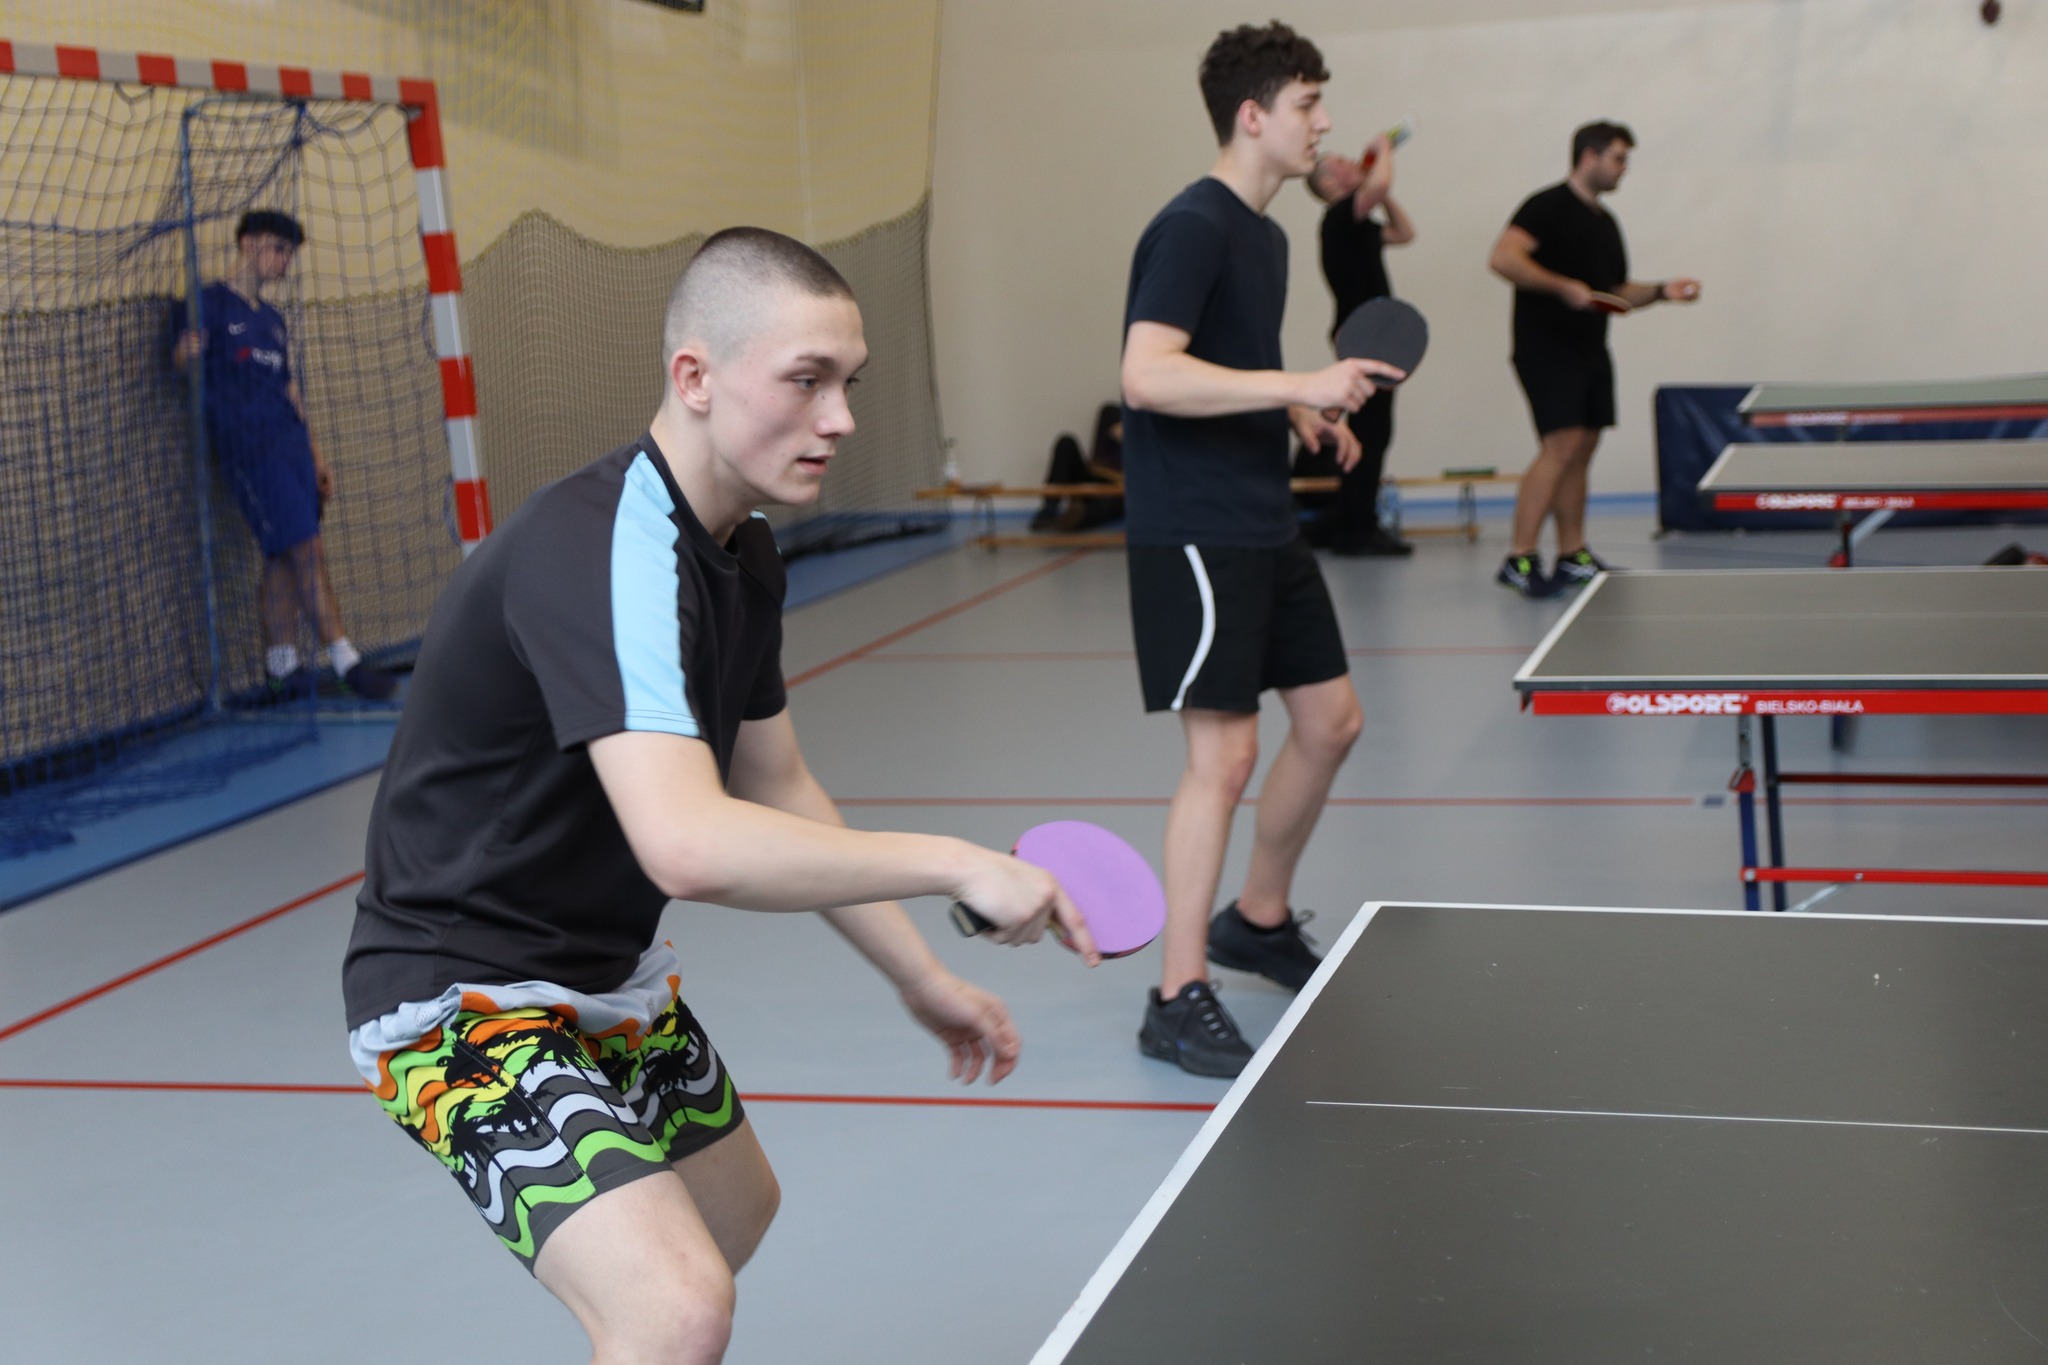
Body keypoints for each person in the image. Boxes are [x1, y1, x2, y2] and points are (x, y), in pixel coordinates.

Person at [341, 227, 1095, 1364]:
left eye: (849, 384)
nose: (840, 419)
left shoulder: (742, 552)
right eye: (806, 380)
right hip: (459, 995)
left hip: (603, 975)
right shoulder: (603, 546)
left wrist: (921, 975)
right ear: (694, 376)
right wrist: (956, 861)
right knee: (675, 1306)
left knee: (732, 1216)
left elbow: (777, 785)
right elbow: (685, 845)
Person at [1119, 22, 1400, 1078]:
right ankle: (1175, 994)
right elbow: (1147, 374)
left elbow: (1226, 358)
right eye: (1307, 104)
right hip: (1193, 528)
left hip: (1260, 514)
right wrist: (1298, 383)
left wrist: (1297, 415)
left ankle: (1258, 918)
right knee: (1224, 756)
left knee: (1331, 721)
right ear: (1253, 115)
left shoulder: (1266, 236)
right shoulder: (1192, 225)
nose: (1323, 124)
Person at [173, 209, 397, 699]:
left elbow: (290, 393)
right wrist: (186, 354)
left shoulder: (273, 322)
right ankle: (347, 661)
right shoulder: (209, 303)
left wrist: (316, 457)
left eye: (289, 254)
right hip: (250, 453)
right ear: (248, 243)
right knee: (306, 549)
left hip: (291, 449)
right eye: (278, 249)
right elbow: (182, 364)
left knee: (283, 554)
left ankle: (282, 667)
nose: (283, 261)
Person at [1488, 121, 1701, 597]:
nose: (1624, 169)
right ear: (1590, 156)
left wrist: (1662, 291)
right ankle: (1519, 558)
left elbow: (1616, 291)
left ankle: (1573, 555)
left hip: (1590, 348)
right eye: (1618, 158)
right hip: (1546, 348)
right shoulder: (1546, 206)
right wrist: (1560, 286)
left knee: (1582, 448)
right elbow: (1504, 258)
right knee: (1560, 447)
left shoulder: (1605, 223)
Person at [1299, 138, 1418, 557]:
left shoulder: (1358, 225)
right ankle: (1358, 529)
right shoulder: (1338, 217)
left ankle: (1354, 520)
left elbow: (1404, 233)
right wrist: (1384, 150)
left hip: (1377, 337)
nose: (1353, 162)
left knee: (1374, 431)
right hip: (1363, 338)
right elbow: (1379, 185)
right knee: (1370, 432)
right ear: (1330, 183)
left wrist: (1380, 190)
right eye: (1341, 163)